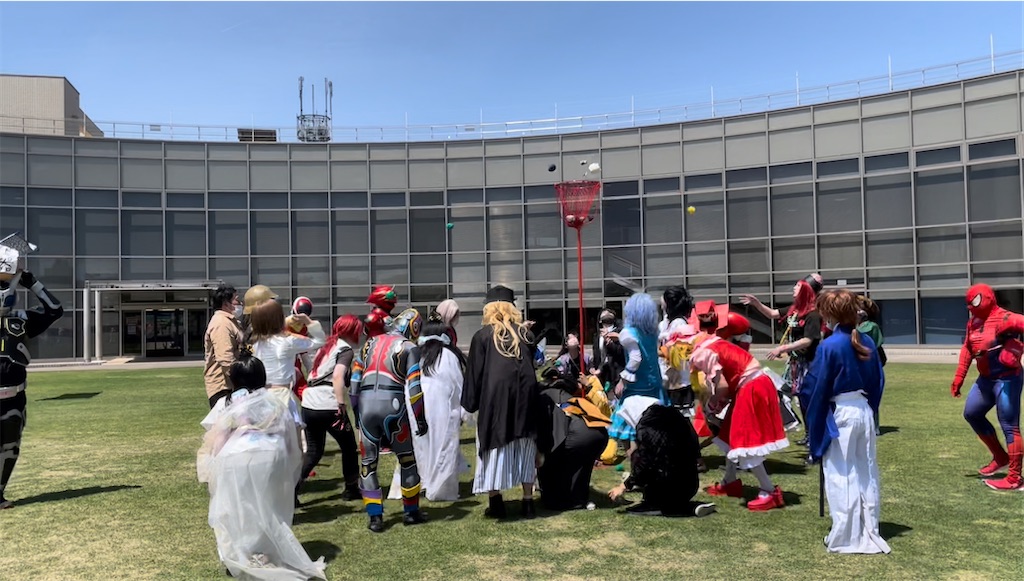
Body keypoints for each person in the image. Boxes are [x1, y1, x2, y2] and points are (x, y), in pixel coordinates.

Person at [197, 349, 327, 580]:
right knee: (267, 505)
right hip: (271, 456)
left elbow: (219, 438)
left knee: (239, 506)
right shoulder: (276, 401)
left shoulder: (228, 402)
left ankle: (244, 552)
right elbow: (290, 436)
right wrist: (292, 466)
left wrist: (213, 465)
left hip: (237, 457)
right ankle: (264, 551)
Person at [802, 289, 890, 554]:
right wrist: (870, 407)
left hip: (841, 412)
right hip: (863, 410)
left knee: (841, 473)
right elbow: (878, 381)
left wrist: (813, 415)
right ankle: (868, 528)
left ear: (829, 314)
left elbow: (814, 386)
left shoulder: (829, 345)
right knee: (866, 471)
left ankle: (845, 535)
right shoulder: (867, 341)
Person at [683, 314, 790, 511]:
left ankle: (769, 491)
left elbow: (722, 386)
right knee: (729, 435)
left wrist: (714, 403)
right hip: (752, 385)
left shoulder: (702, 352)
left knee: (745, 441)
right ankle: (730, 481)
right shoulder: (713, 342)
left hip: (751, 387)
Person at [461, 285, 542, 520]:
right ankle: (528, 502)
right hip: (525, 398)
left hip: (495, 401)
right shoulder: (525, 335)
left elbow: (474, 374)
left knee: (494, 447)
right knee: (525, 445)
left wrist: (470, 402)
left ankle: (496, 502)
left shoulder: (483, 336)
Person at [350, 308, 429, 532]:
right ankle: (411, 512)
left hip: (366, 405)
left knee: (368, 464)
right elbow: (414, 387)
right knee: (407, 459)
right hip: (393, 406)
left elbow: (354, 383)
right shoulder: (409, 347)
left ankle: (375, 518)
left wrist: (356, 413)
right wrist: (420, 418)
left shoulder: (369, 344)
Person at [0, 254, 64, 510]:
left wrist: (31, 281)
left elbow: (54, 310)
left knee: (9, 447)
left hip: (14, 397)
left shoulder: (21, 319)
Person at [950, 283, 1024, 491]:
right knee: (972, 413)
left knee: (1009, 425)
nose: (970, 306)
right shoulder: (973, 322)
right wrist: (959, 377)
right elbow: (968, 348)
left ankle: (1015, 478)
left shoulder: (1005, 318)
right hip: (986, 379)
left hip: (1007, 379)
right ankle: (1000, 457)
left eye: (974, 301)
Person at [388, 320, 469, 502]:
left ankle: (418, 481)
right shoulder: (448, 356)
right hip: (442, 406)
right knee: (443, 443)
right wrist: (463, 410)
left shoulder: (416, 354)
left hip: (416, 404)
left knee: (419, 444)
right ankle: (441, 487)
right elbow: (458, 384)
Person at [743, 273, 824, 443]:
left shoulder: (813, 314)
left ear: (806, 290)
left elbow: (808, 340)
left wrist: (783, 348)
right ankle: (807, 432)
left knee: (808, 400)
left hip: (809, 364)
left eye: (798, 286)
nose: (794, 288)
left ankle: (814, 434)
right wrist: (757, 303)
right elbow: (773, 314)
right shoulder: (795, 309)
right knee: (792, 395)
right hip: (795, 364)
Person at [607, 396, 716, 518]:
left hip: (665, 486)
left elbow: (646, 461)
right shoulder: (676, 415)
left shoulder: (647, 425)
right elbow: (693, 441)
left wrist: (624, 486)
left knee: (640, 457)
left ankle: (660, 506)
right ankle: (689, 507)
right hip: (690, 484)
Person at [297, 314, 364, 503]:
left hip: (309, 404)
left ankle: (291, 491)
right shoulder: (345, 350)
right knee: (349, 447)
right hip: (328, 404)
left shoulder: (326, 346)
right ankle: (351, 488)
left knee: (313, 451)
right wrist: (341, 403)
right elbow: (337, 376)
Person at [536, 364, 610, 511]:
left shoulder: (544, 397)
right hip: (599, 435)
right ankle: (578, 499)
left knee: (550, 460)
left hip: (578, 434)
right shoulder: (570, 396)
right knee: (580, 466)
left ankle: (555, 499)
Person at [608, 293, 669, 451]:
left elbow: (635, 358)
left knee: (632, 427)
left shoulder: (628, 332)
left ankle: (637, 462)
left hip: (636, 386)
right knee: (650, 425)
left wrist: (622, 381)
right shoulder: (652, 332)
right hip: (654, 383)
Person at [248, 299, 326, 393]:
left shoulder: (253, 344)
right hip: (282, 393)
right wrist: (308, 321)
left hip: (260, 393)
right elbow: (319, 340)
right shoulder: (288, 341)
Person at [203, 283, 244, 409]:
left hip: (231, 385)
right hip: (224, 387)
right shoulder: (221, 324)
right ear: (226, 303)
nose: (240, 303)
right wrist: (241, 381)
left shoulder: (231, 322)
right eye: (236, 299)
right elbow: (225, 358)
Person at [856, 296, 886, 435]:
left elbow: (875, 347)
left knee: (871, 395)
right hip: (859, 364)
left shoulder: (871, 327)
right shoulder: (854, 327)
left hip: (870, 364)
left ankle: (874, 425)